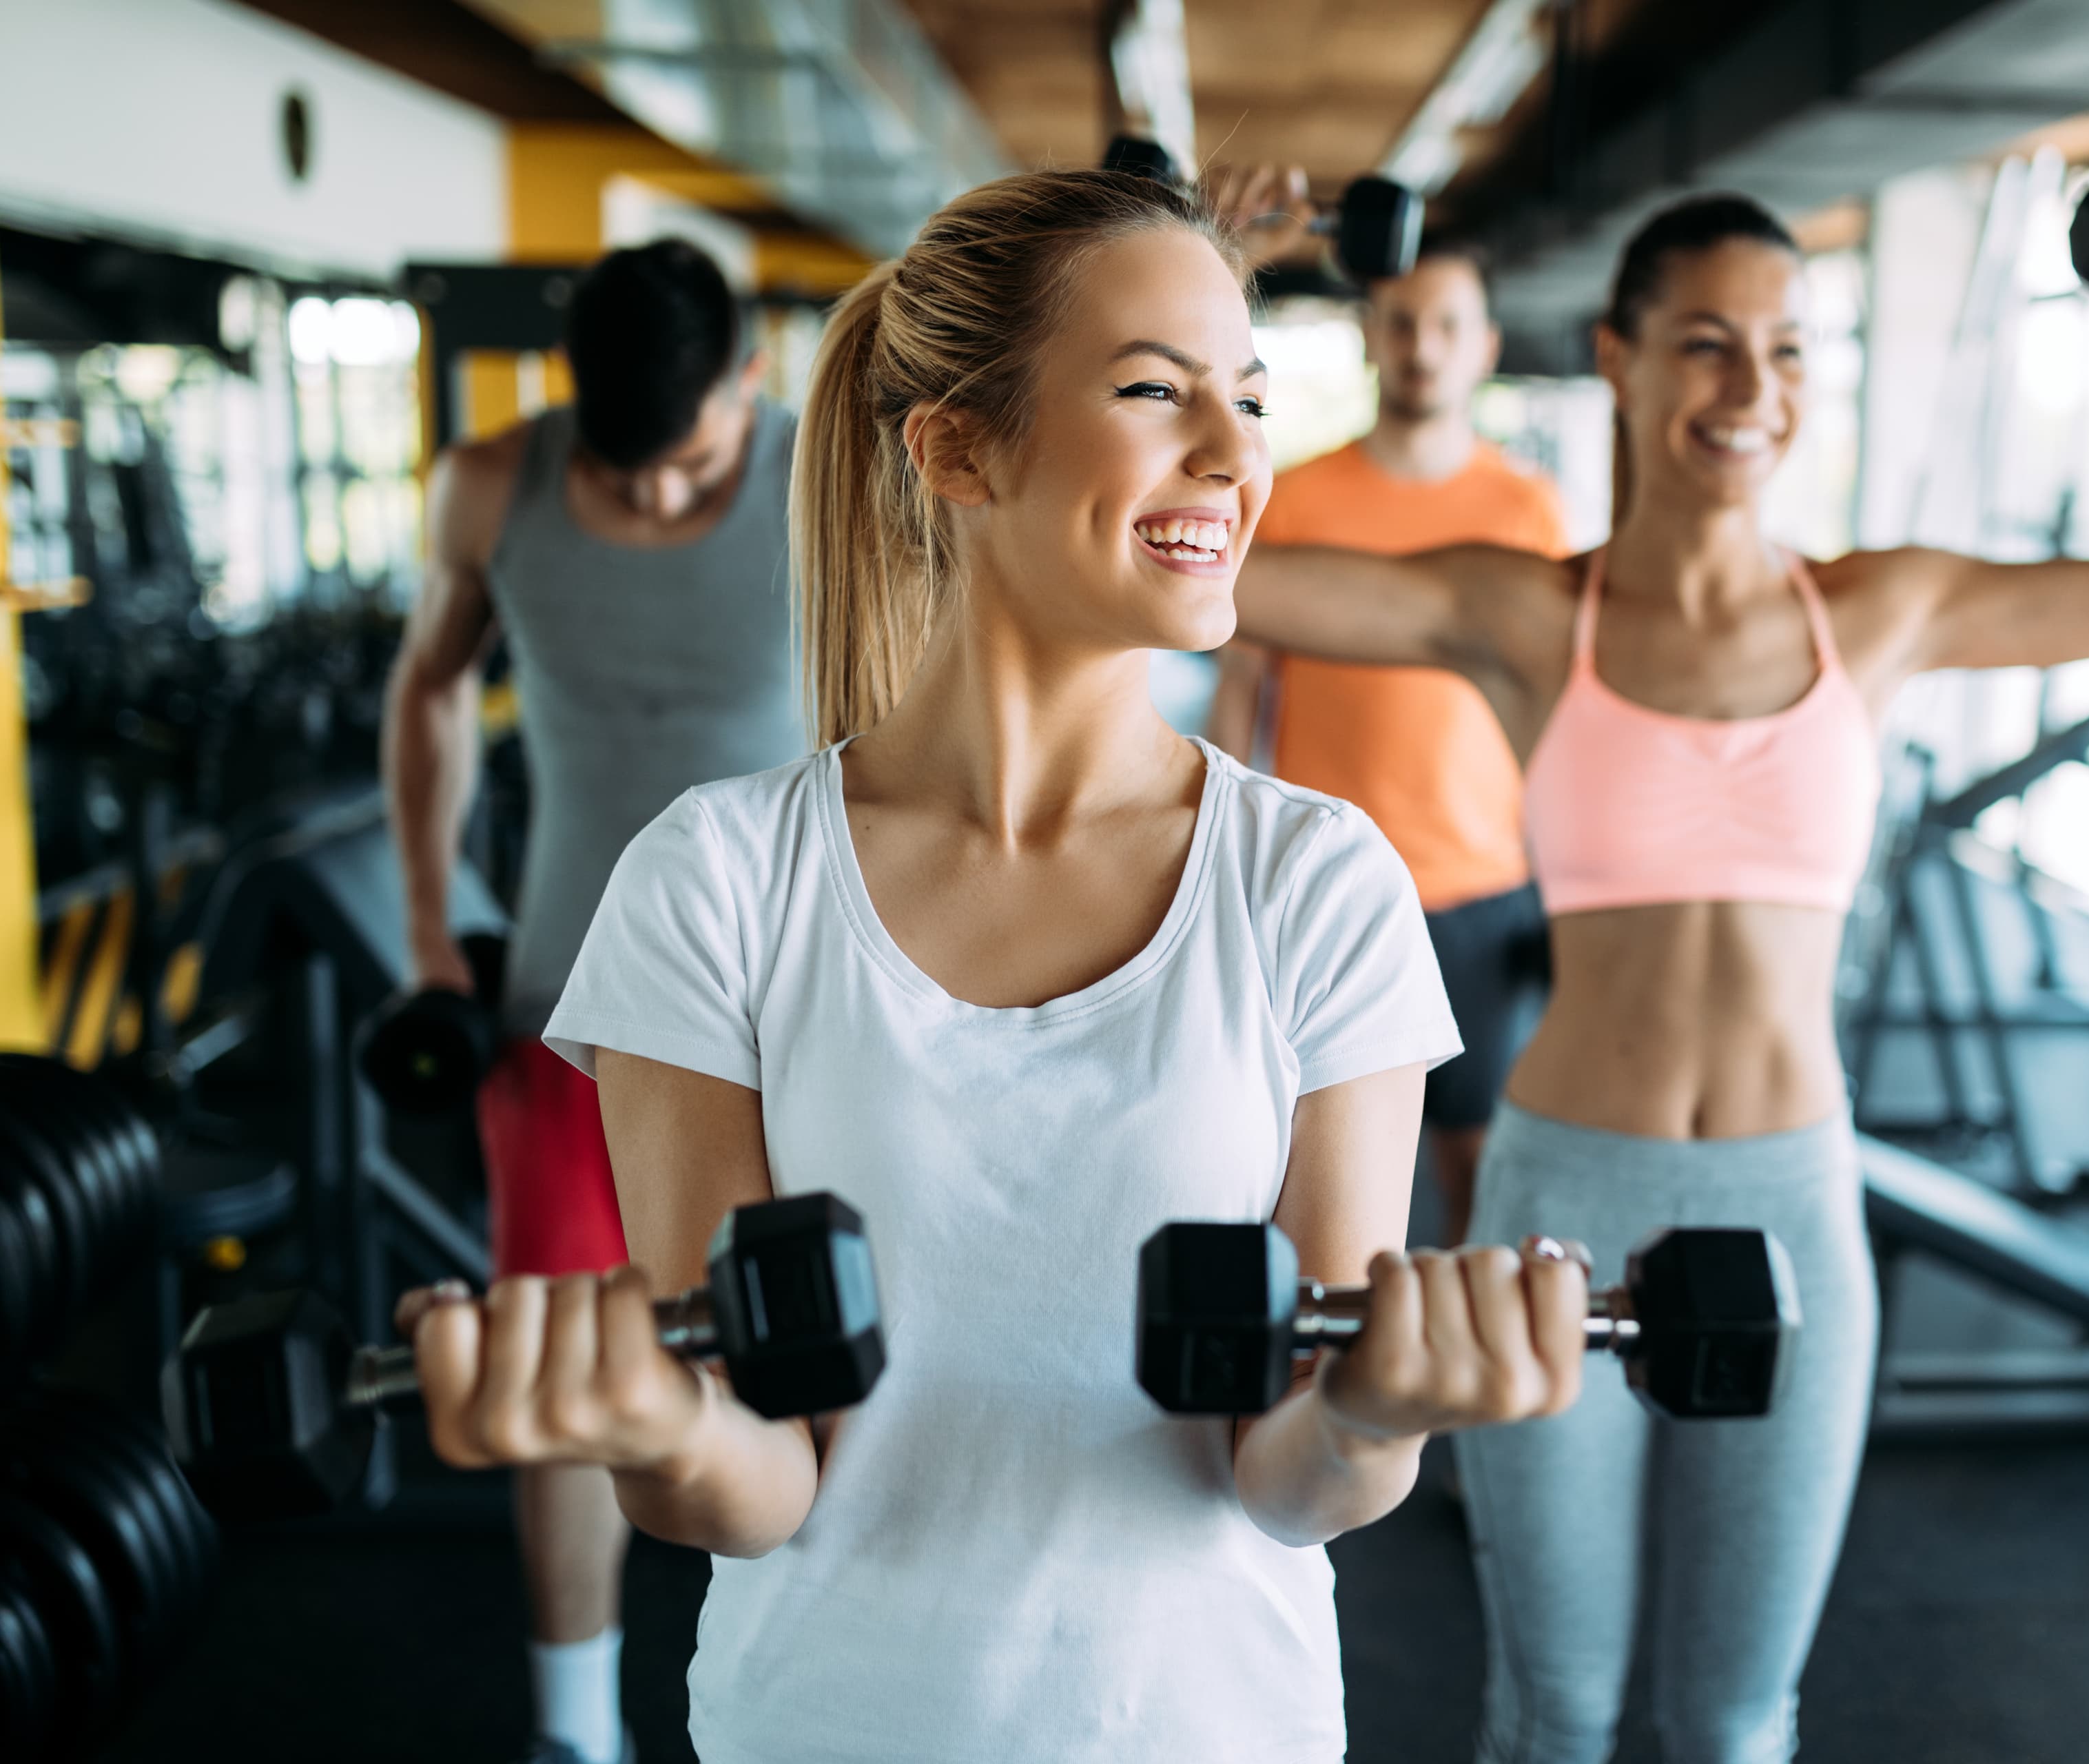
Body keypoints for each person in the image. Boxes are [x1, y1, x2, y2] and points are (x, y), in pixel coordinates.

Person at [387, 169, 1599, 1763]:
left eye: (1248, 397)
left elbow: (1289, 1476)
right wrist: (654, 1419)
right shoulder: (715, 880)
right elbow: (755, 1487)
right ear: (959, 449)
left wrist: (1382, 1409)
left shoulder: (1317, 883)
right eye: (1158, 391)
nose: (1237, 455)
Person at [1228, 188, 2089, 1761]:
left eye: (1788, 350)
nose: (1751, 390)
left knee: (1735, 1720)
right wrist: (1209, 274)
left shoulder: (1881, 608)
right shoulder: (1526, 611)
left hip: (1793, 1194)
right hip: (1562, 1194)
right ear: (1620, 357)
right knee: (1554, 1709)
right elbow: (1204, 565)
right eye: (1707, 345)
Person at [383, 238, 800, 1764]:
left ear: (751, 379)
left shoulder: (832, 479)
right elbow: (429, 687)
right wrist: (431, 925)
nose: (664, 496)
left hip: (797, 1000)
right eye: (628, 474)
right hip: (572, 1007)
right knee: (566, 1361)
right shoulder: (493, 485)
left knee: (816, 1343)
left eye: (695, 463)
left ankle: (822, 1686)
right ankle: (576, 1726)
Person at [1203, 237, 1566, 1246]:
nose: (1423, 346)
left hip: (1480, 891)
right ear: (1371, 336)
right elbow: (1240, 692)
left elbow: (1556, 715)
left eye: (1448, 325)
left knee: (1471, 1161)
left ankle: (1456, 1344)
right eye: (1401, 322)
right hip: (1320, 884)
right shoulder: (1295, 498)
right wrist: (1216, 859)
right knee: (1304, 1167)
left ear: (1485, 346)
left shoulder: (1528, 510)